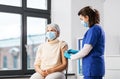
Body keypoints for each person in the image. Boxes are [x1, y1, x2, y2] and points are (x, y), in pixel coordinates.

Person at [64, 6, 105, 79]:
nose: (81, 22)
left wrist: (71, 57)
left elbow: (85, 51)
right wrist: (76, 52)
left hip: (92, 68)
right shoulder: (98, 28)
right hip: (95, 67)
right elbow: (91, 50)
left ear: (87, 17)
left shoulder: (94, 30)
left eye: (81, 19)